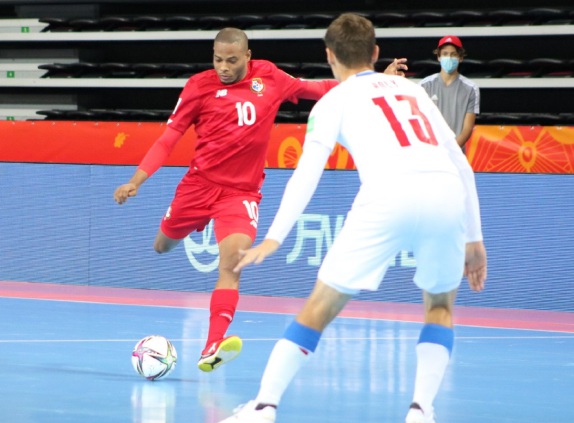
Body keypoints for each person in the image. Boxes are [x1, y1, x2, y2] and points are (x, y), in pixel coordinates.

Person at [212, 13, 486, 423]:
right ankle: (420, 416)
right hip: (446, 194)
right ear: (376, 54)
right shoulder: (413, 90)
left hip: (387, 195)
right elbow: (460, 163)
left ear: (329, 56)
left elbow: (307, 172)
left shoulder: (331, 102)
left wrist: (274, 236)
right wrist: (476, 237)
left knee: (319, 307)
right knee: (440, 307)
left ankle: (263, 408)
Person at [113, 27, 407, 373]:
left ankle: (212, 346)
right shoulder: (198, 86)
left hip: (239, 194)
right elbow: (168, 138)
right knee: (162, 246)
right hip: (198, 186)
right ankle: (195, 223)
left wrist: (372, 81)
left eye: (232, 60)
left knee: (232, 265)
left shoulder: (269, 76)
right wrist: (136, 180)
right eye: (218, 59)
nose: (223, 67)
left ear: (248, 56)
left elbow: (319, 89)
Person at [419, 35, 479, 153]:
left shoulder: (471, 89)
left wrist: (451, 151)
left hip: (457, 155)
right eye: (445, 54)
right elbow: (420, 122)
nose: (449, 57)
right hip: (430, 153)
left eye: (453, 54)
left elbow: (467, 129)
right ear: (439, 57)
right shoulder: (423, 85)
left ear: (460, 58)